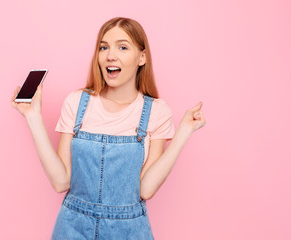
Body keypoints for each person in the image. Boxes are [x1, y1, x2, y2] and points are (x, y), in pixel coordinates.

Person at [12, 17, 205, 240]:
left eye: (122, 47)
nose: (110, 55)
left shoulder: (156, 112)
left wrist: (184, 131)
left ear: (142, 57)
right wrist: (33, 117)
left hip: (129, 231)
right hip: (72, 227)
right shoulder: (77, 103)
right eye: (104, 47)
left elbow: (145, 189)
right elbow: (61, 181)